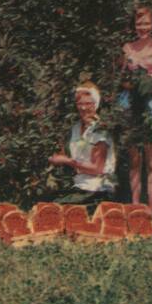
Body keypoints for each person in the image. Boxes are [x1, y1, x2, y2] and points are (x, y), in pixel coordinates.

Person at [118, 7, 152, 217]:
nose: (143, 27)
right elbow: (120, 79)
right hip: (129, 102)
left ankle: (150, 212)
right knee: (134, 161)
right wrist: (131, 83)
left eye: (147, 23)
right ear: (133, 25)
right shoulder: (127, 48)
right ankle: (134, 209)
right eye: (139, 23)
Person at [48, 81, 116, 209]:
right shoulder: (75, 128)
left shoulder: (100, 130)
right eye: (80, 103)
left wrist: (67, 161)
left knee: (56, 209)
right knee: (47, 206)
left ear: (96, 104)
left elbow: (97, 168)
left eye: (88, 103)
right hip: (79, 186)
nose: (83, 108)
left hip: (97, 189)